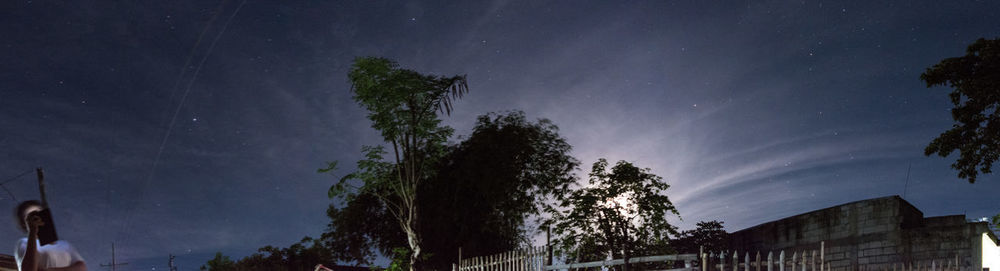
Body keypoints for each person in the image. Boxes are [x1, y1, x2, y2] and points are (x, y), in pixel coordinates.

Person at [13, 200, 86, 271]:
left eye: (39, 213)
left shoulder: (65, 244)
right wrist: (32, 232)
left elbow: (81, 267)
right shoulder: (24, 243)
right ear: (24, 223)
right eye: (31, 216)